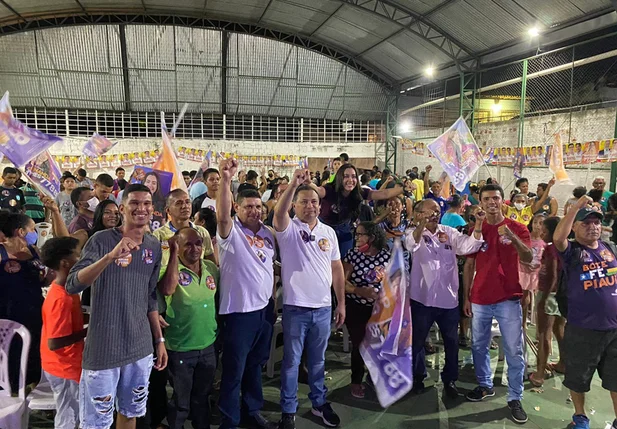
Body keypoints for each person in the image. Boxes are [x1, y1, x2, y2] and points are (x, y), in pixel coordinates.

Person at [66, 184, 168, 429]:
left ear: (153, 209)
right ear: (122, 208)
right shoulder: (101, 240)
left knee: (130, 414)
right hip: (104, 349)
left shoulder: (153, 246)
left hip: (140, 348)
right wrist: (109, 257)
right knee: (96, 423)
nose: (140, 208)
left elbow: (149, 295)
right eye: (134, 203)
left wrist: (159, 340)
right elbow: (72, 285)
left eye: (146, 203)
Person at [273, 170, 345, 429]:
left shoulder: (329, 232)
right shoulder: (289, 229)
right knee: (292, 363)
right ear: (295, 204)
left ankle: (318, 403)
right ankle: (288, 410)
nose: (310, 206)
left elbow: (336, 269)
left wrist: (341, 303)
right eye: (303, 201)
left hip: (323, 309)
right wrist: (293, 182)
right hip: (296, 309)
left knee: (318, 361)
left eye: (314, 201)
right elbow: (278, 215)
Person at [463, 184, 532, 424]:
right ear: (480, 203)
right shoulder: (476, 229)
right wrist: (466, 296)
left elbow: (528, 257)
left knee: (514, 350)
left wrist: (511, 237)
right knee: (478, 346)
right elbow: (469, 265)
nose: (492, 202)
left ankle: (515, 396)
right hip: (480, 298)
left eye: (496, 198)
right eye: (487, 199)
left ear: (503, 201)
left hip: (508, 299)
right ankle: (484, 385)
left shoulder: (518, 228)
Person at [217, 158, 277, 429]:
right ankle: (229, 422)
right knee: (233, 373)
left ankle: (251, 412)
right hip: (239, 313)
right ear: (237, 208)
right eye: (248, 207)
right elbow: (221, 216)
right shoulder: (230, 233)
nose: (254, 210)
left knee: (255, 367)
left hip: (264, 311)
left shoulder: (268, 233)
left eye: (258, 206)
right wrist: (226, 179)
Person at [408, 199, 485, 398]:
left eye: (437, 210)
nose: (435, 213)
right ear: (418, 214)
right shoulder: (413, 231)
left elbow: (469, 246)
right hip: (422, 300)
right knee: (416, 342)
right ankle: (417, 377)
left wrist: (477, 225)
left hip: (448, 300)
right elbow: (411, 245)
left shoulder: (448, 232)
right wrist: (422, 225)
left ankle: (449, 380)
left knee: (451, 344)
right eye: (430, 211)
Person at [553, 196, 617, 429]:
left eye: (596, 223)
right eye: (586, 223)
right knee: (578, 377)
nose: (593, 227)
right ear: (575, 228)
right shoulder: (572, 252)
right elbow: (558, 238)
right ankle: (580, 417)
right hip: (583, 329)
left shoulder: (610, 248)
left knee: (615, 379)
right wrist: (576, 208)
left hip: (614, 328)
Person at [158, 227, 218, 429]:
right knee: (181, 402)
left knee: (202, 399)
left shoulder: (210, 268)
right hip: (181, 348)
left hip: (208, 346)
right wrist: (173, 253)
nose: (194, 248)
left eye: (198, 243)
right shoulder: (170, 272)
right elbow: (167, 290)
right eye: (188, 244)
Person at [0, 211, 51, 393]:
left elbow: (43, 279)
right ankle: (11, 389)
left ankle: (31, 385)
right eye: (32, 229)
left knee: (33, 350)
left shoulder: (33, 250)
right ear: (21, 231)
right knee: (12, 351)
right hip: (8, 311)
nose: (34, 233)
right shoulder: (1, 251)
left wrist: (52, 275)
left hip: (34, 310)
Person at [39, 237, 86, 429]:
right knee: (68, 416)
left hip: (67, 364)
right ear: (65, 263)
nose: (81, 258)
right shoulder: (60, 298)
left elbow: (69, 323)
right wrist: (87, 332)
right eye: (78, 255)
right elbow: (55, 342)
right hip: (63, 367)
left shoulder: (68, 290)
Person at [311, 163, 402, 258]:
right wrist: (308, 182)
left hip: (345, 229)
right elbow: (318, 190)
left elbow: (384, 194)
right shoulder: (330, 190)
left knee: (345, 258)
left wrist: (404, 189)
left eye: (354, 176)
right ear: (339, 178)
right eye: (346, 176)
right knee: (324, 258)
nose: (350, 180)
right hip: (325, 229)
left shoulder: (358, 193)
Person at [343, 222, 389, 399]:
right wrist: (359, 291)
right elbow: (342, 283)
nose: (357, 238)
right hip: (357, 307)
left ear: (372, 237)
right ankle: (356, 380)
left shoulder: (386, 255)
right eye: (356, 234)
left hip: (380, 309)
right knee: (361, 345)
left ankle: (374, 377)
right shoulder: (352, 255)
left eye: (361, 235)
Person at [528, 216, 565, 387]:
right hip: (562, 294)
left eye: (544, 230)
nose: (541, 233)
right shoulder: (564, 247)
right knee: (559, 329)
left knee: (543, 334)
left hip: (549, 294)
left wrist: (544, 299)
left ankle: (540, 373)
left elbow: (552, 275)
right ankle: (563, 363)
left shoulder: (551, 249)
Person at [153, 190, 215, 267]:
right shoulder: (158, 235)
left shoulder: (202, 232)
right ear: (168, 210)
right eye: (179, 203)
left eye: (187, 202)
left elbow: (211, 264)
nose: (185, 206)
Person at [519, 214, 547, 335]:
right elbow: (519, 253)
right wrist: (524, 262)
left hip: (537, 273)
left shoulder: (545, 242)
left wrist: (541, 266)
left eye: (541, 223)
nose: (537, 226)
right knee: (524, 299)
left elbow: (546, 259)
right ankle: (522, 322)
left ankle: (538, 330)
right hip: (524, 271)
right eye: (535, 222)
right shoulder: (526, 238)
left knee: (538, 300)